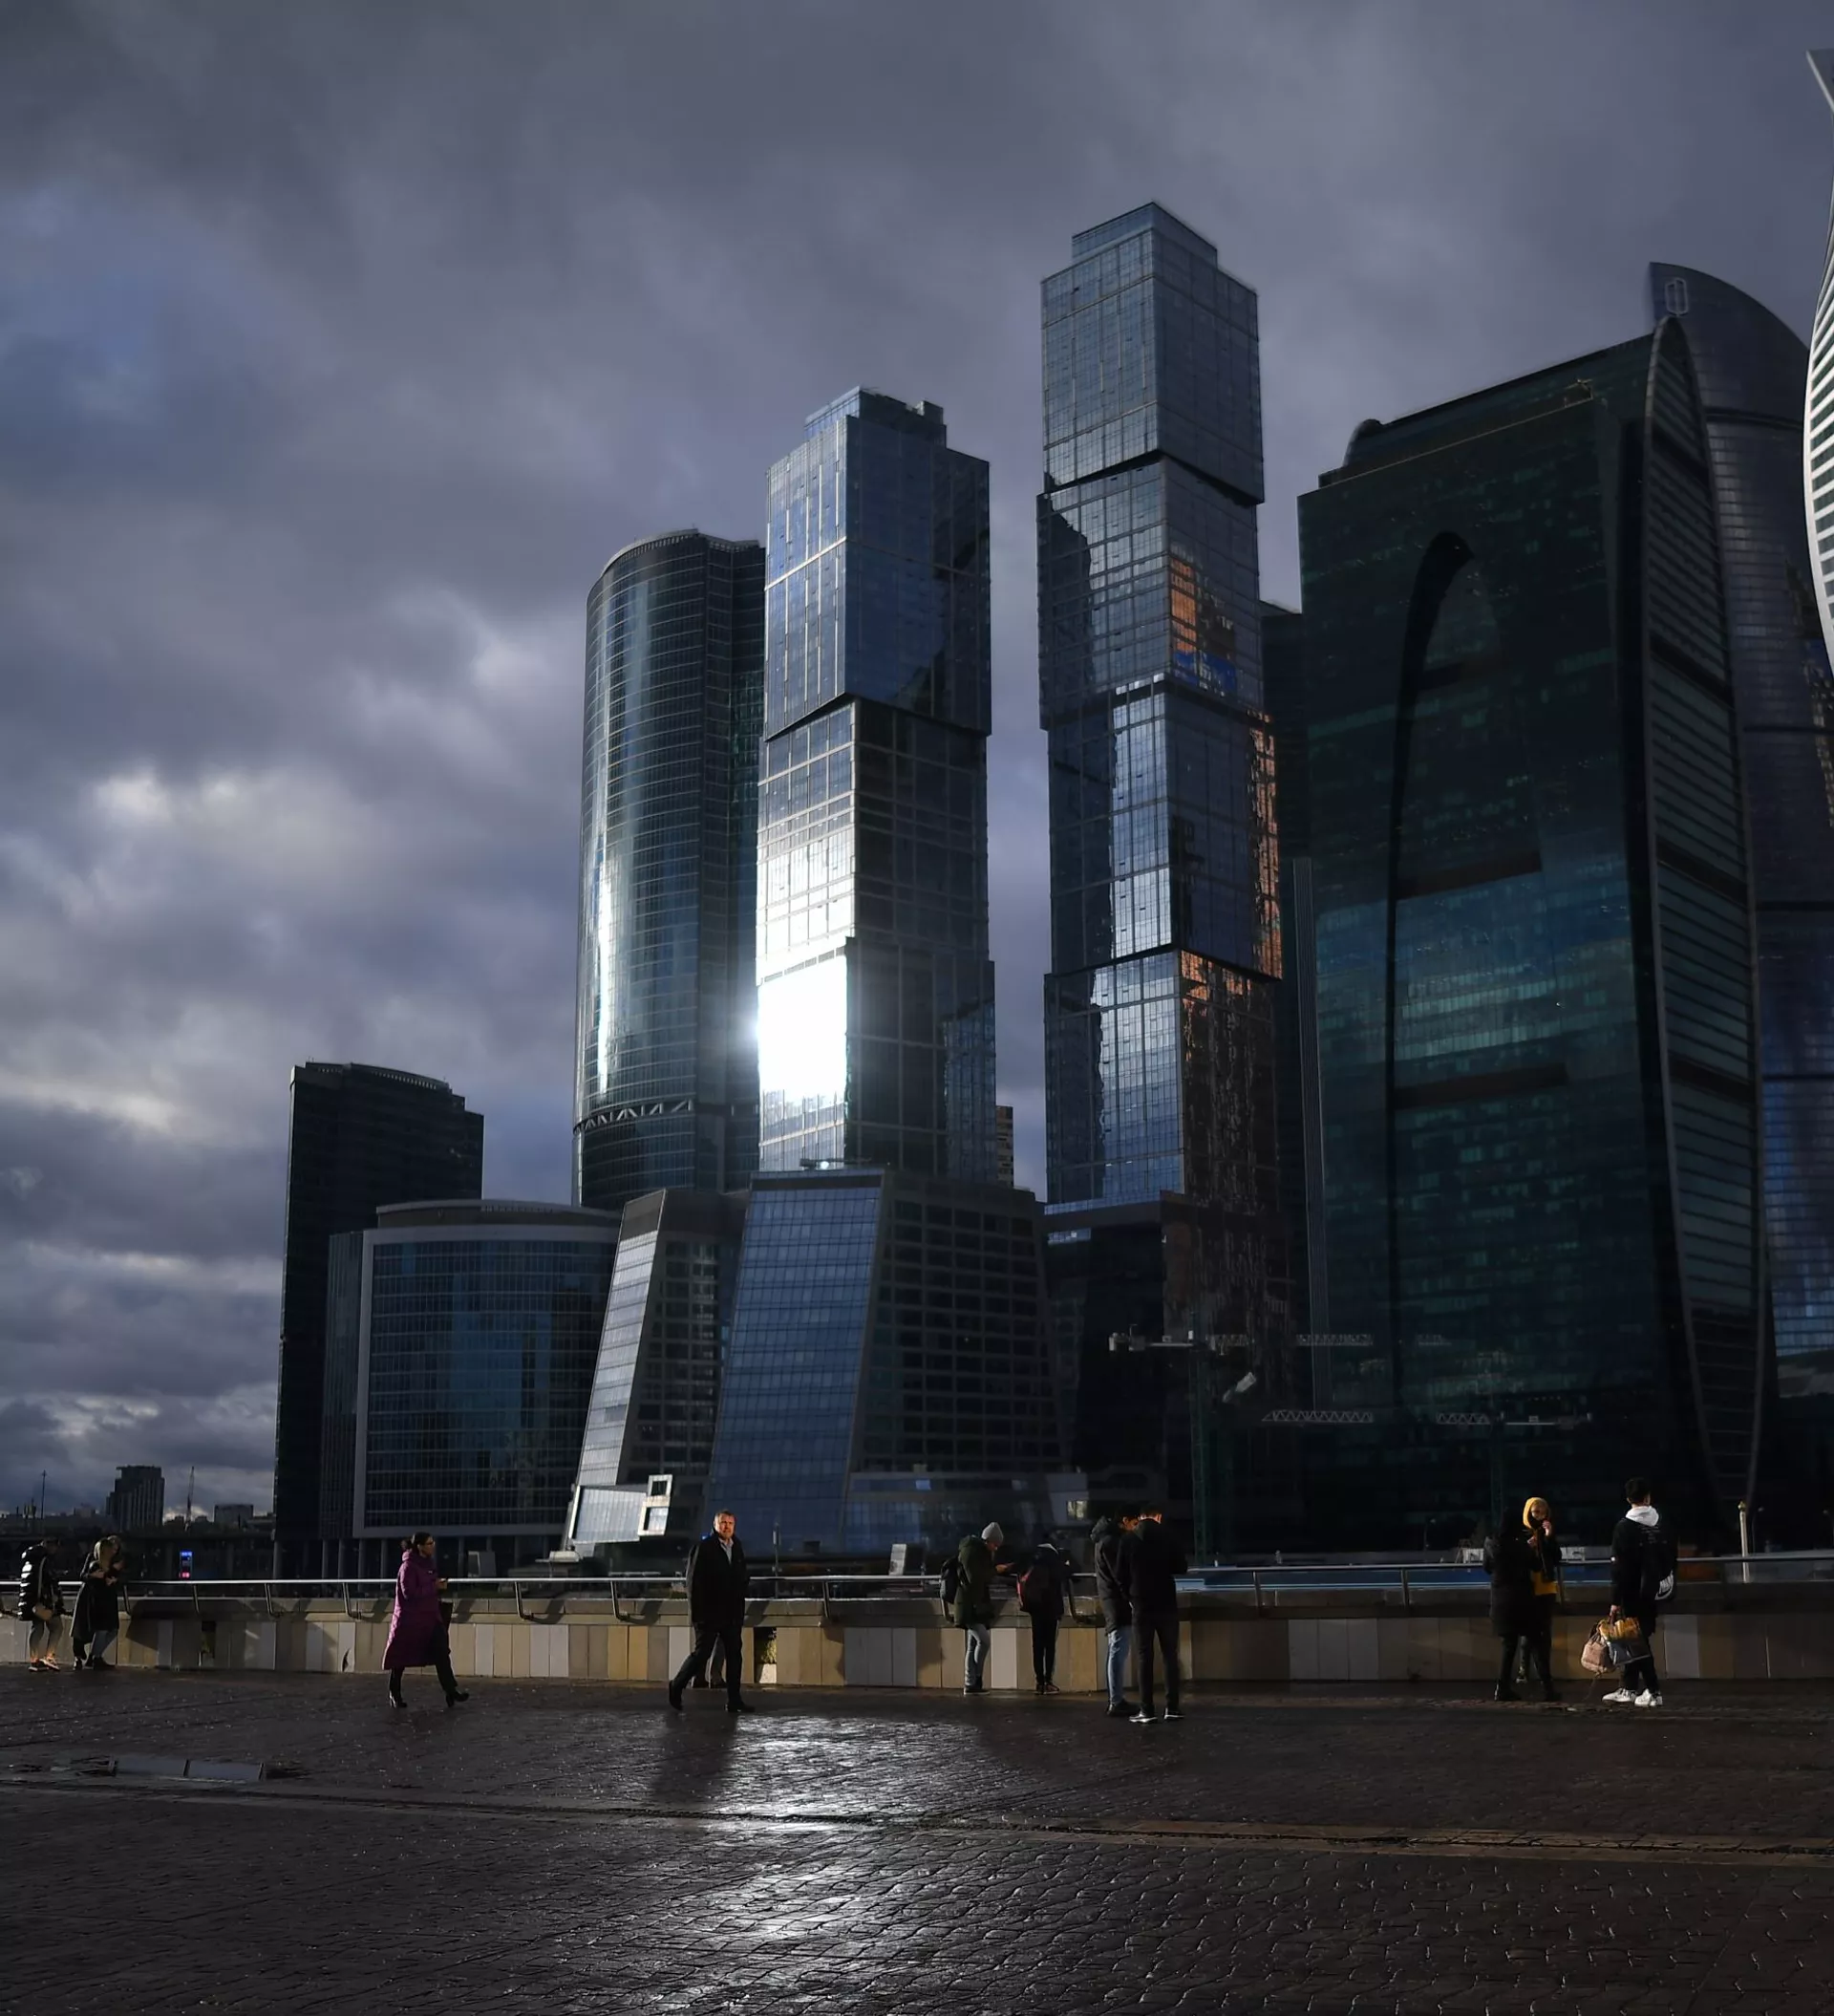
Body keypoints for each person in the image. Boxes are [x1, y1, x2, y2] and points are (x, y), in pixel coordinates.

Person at [668, 1510, 752, 1712]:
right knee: (701, 1654)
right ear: (715, 1525)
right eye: (723, 1523)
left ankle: (734, 1700)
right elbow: (693, 1583)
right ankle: (676, 1685)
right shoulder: (704, 1548)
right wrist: (698, 1615)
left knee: (734, 1655)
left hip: (732, 1613)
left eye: (730, 1523)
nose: (727, 1526)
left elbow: (741, 1576)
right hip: (709, 1614)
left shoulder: (737, 1546)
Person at [1606, 1477, 1672, 1707]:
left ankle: (1653, 1691)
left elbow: (1619, 1568)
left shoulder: (1624, 1527)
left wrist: (1615, 1600)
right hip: (1655, 1590)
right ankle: (1629, 1689)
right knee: (1637, 1637)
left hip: (1632, 1592)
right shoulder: (1661, 1522)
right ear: (1648, 1497)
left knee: (1636, 1641)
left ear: (1628, 1499)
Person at [383, 1533, 468, 1709]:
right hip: (409, 1620)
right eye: (429, 1543)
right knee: (400, 1658)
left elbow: (428, 1589)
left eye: (433, 1542)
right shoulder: (407, 1567)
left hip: (430, 1618)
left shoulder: (429, 1564)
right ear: (419, 1546)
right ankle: (394, 1693)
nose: (433, 1546)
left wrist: (438, 1586)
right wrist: (433, 1586)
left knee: (441, 1652)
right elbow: (409, 1593)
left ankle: (451, 1691)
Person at [1125, 1508, 1186, 1724]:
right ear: (1158, 1516)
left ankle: (1147, 1709)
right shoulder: (1169, 1537)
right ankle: (1172, 1707)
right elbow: (1181, 1567)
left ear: (1140, 1516)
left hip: (1141, 1604)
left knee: (1144, 1656)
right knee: (1170, 1655)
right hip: (1166, 1603)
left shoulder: (1129, 1539)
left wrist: (1130, 1596)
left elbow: (1119, 1573)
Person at [1481, 1517, 1549, 1702]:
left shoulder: (1490, 1544)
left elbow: (1487, 1568)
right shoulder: (1520, 1546)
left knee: (1509, 1646)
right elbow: (1537, 1566)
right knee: (1536, 1643)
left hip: (1500, 1602)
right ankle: (1548, 1688)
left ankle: (1502, 1688)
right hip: (1522, 1601)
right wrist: (1531, 1546)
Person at [1092, 1512, 1139, 1718]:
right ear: (1125, 1521)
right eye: (1134, 1523)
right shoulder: (1111, 1542)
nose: (1135, 1528)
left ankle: (1116, 1699)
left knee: (1115, 1649)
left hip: (1111, 1601)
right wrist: (1131, 1597)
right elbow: (1119, 1574)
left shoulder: (1104, 1540)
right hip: (1117, 1603)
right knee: (1118, 1650)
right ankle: (1116, 1700)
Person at [952, 1522, 1001, 1694]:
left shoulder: (976, 1551)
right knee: (983, 1641)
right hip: (969, 1606)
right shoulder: (972, 1552)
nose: (995, 1548)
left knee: (973, 1644)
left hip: (974, 1605)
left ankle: (970, 1683)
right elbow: (975, 1578)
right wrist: (996, 1570)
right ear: (988, 1540)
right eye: (995, 1544)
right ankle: (976, 1678)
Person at [1019, 1532, 1070, 1693]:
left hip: (1034, 1607)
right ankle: (1048, 1681)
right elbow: (1068, 1573)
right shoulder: (1054, 1558)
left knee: (1037, 1645)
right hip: (1051, 1608)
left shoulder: (1031, 1557)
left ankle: (1039, 1681)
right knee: (1049, 1646)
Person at [1522, 1496, 1562, 1701]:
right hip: (1528, 1589)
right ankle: (1525, 1669)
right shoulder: (1522, 1534)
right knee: (1529, 1633)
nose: (1539, 1516)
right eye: (1535, 1512)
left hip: (1546, 1588)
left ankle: (1545, 1677)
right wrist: (1527, 1547)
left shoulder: (1548, 1533)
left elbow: (1557, 1557)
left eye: (1543, 1512)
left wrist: (1548, 1537)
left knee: (1544, 1633)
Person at [71, 1534, 126, 1671]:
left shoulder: (115, 1561)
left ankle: (95, 1656)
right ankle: (94, 1657)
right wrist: (94, 1576)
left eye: (115, 1549)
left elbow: (117, 1578)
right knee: (98, 1629)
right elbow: (88, 1577)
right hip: (95, 1599)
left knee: (108, 1629)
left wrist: (115, 1579)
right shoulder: (95, 1561)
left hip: (107, 1599)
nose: (113, 1551)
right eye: (111, 1548)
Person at [19, 1540, 63, 1671]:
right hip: (42, 1600)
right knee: (57, 1626)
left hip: (31, 1599)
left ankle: (34, 1659)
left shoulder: (30, 1559)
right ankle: (49, 1657)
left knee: (37, 1627)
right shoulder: (44, 1560)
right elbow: (48, 1581)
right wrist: (52, 1598)